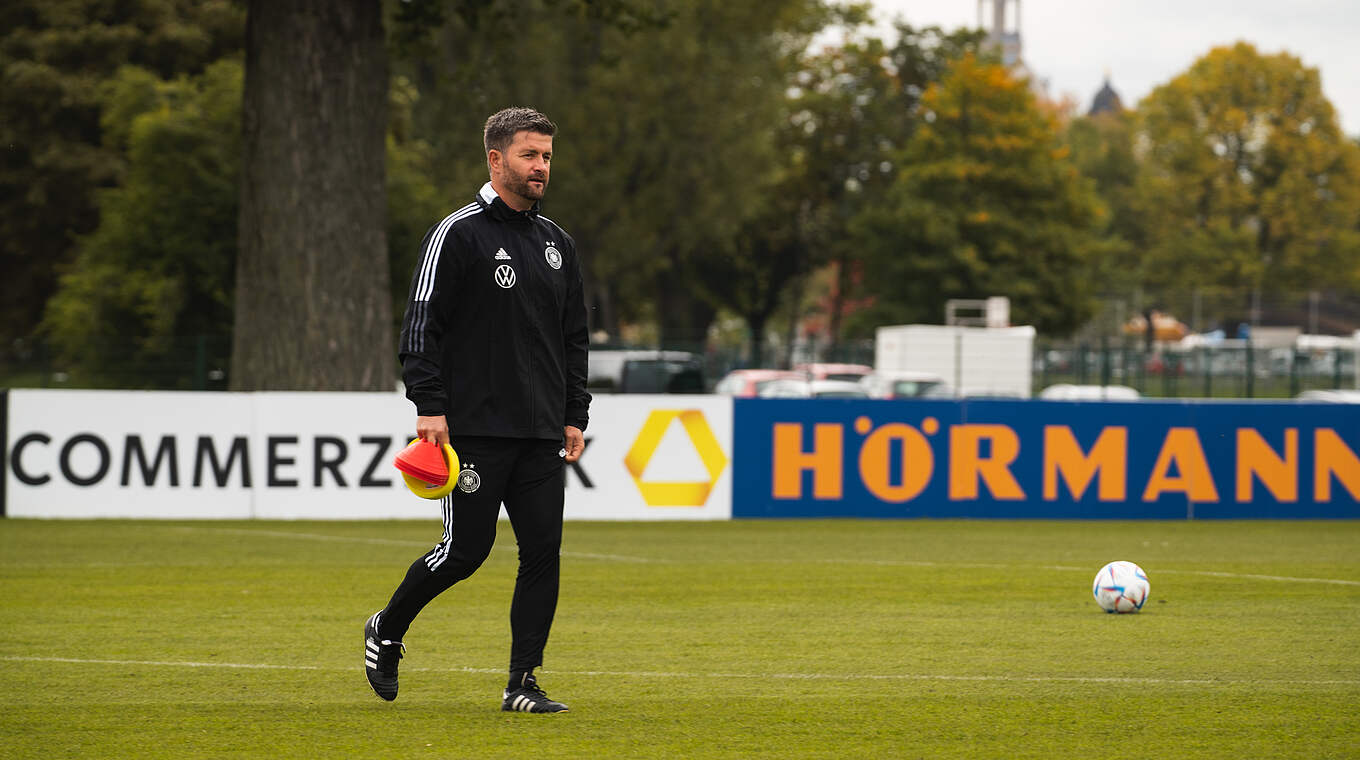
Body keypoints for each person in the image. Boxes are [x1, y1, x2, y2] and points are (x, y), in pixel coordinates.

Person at [364, 107, 590, 714]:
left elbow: (573, 338)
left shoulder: (557, 244)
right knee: (465, 552)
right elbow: (421, 326)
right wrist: (428, 406)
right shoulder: (456, 234)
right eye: (528, 155)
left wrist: (575, 414)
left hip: (541, 431)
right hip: (474, 428)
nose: (540, 166)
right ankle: (386, 628)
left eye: (546, 155)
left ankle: (523, 682)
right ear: (496, 159)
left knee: (543, 552)